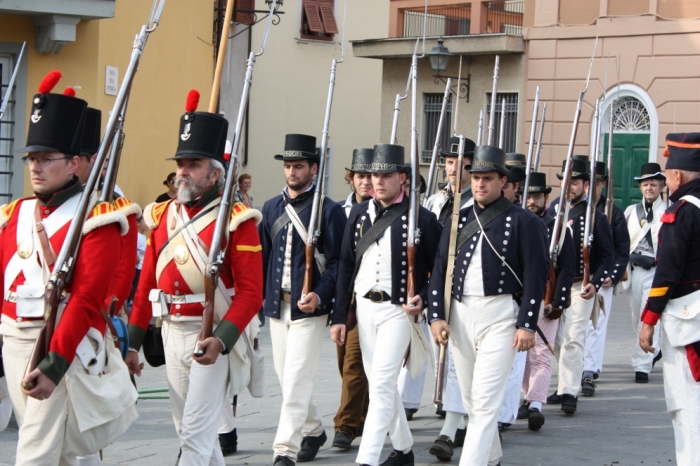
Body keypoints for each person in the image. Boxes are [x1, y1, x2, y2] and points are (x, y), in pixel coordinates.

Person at [126, 90, 264, 465]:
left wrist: (222, 339)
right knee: (189, 431)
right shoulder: (162, 216)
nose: (182, 171)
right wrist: (133, 343)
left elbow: (252, 293)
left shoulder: (236, 219)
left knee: (197, 434)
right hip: (170, 330)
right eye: (181, 163)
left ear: (215, 173)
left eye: (193, 164)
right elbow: (145, 288)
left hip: (212, 331)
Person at [0, 71, 130, 464]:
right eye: (31, 158)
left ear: (74, 163)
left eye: (45, 158)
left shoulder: (99, 219)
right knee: (59, 453)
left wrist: (55, 362)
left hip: (59, 343)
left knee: (35, 453)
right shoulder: (14, 213)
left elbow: (88, 298)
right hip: (13, 340)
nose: (35, 167)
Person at [429, 144, 549, 466]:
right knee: (470, 399)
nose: (480, 184)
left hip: (500, 317)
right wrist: (437, 315)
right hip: (460, 314)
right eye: (476, 177)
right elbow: (440, 268)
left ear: (502, 181)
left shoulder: (525, 221)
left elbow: (537, 276)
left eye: (487, 178)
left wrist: (526, 324)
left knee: (483, 402)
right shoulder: (458, 218)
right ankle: (492, 456)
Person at [331, 143, 441, 466]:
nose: (377, 181)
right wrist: (340, 316)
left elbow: (441, 269)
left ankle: (366, 460)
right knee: (380, 382)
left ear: (402, 179)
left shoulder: (423, 218)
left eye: (386, 175)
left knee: (380, 382)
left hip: (398, 311)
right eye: (373, 175)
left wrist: (423, 293)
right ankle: (404, 449)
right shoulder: (358, 214)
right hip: (365, 309)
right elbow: (346, 267)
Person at [259, 134, 346, 466]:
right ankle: (313, 429)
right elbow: (264, 260)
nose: (292, 172)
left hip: (309, 309)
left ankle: (284, 451)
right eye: (288, 166)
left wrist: (321, 295)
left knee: (296, 379)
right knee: (286, 379)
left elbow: (338, 263)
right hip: (277, 307)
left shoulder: (329, 209)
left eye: (299, 166)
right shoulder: (270, 208)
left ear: (313, 168)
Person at [639, 132, 700, 466]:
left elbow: (667, 275)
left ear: (675, 176)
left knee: (687, 408)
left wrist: (648, 321)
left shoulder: (681, 213)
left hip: (688, 324)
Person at [546, 157, 615, 414]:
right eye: (565, 180)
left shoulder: (595, 217)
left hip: (580, 285)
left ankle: (570, 392)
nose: (568, 186)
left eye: (574, 181)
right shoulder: (553, 211)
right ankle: (565, 384)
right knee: (556, 340)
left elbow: (608, 256)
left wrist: (595, 283)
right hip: (554, 286)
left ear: (585, 184)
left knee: (574, 338)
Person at [423, 136, 475, 461]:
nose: (453, 168)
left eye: (459, 162)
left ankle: (449, 430)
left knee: (456, 360)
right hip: (434, 287)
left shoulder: (475, 203)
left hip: (463, 290)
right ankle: (465, 414)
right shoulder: (434, 201)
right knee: (441, 357)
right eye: (449, 161)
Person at [519, 172, 575, 431]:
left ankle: (536, 404)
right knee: (523, 354)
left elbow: (567, 268)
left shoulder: (559, 226)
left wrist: (560, 302)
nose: (532, 201)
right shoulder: (518, 222)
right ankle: (525, 395)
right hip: (521, 297)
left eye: (537, 196)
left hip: (547, 297)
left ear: (546, 198)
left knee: (541, 353)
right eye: (529, 196)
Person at [332, 148, 373, 450]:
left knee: (354, 364)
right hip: (341, 298)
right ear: (352, 178)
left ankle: (344, 424)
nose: (367, 182)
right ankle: (366, 414)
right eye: (361, 176)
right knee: (343, 361)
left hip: (369, 298)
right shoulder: (338, 212)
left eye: (371, 176)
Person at [581, 160, 630, 395]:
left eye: (597, 183)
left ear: (603, 185)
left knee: (596, 326)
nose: (592, 188)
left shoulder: (614, 213)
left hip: (603, 276)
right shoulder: (568, 208)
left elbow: (621, 250)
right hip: (576, 277)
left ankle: (589, 370)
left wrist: (612, 275)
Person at [624, 163, 666, 382]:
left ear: (661, 187)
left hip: (655, 271)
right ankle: (652, 348)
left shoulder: (668, 212)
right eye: (646, 184)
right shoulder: (631, 212)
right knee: (635, 317)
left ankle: (642, 365)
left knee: (647, 316)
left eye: (653, 184)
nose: (649, 188)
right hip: (634, 271)